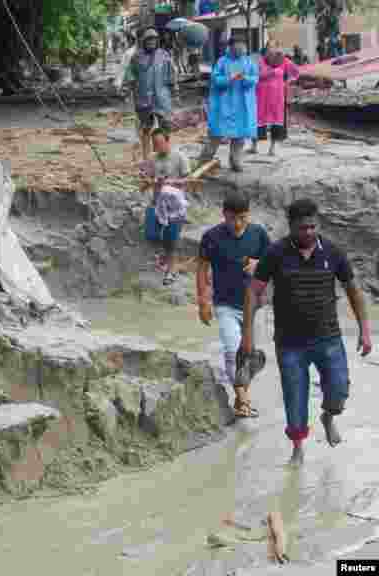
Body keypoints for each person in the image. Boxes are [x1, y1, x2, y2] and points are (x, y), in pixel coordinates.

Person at [241, 198, 372, 466]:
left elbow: (354, 292)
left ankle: (328, 417)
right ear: (291, 227)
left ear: (318, 224)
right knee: (295, 396)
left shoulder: (333, 252)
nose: (309, 232)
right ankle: (298, 449)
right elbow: (253, 292)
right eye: (303, 228)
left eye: (313, 227)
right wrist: (247, 337)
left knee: (338, 391)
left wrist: (365, 331)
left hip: (329, 338)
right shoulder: (276, 253)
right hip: (290, 342)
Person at [196, 190, 271, 418]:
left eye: (243, 218)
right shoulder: (212, 237)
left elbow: (274, 262)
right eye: (232, 218)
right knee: (232, 352)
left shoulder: (259, 234)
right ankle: (243, 398)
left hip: (255, 307)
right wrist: (203, 302)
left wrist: (258, 263)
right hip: (225, 305)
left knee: (250, 357)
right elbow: (202, 269)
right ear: (224, 215)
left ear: (249, 215)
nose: (237, 224)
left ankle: (240, 402)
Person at [197, 34, 258, 172]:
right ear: (230, 47)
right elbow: (215, 79)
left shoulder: (249, 62)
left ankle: (235, 161)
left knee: (239, 136)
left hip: (242, 106)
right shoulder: (222, 62)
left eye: (243, 45)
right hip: (223, 105)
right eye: (238, 45)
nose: (241, 48)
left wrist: (244, 78)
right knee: (216, 136)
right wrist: (229, 78)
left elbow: (255, 79)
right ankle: (203, 161)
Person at [141, 127, 190, 285]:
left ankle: (171, 270)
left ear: (168, 141)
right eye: (154, 144)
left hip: (174, 207)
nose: (157, 147)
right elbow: (146, 178)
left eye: (160, 143)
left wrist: (171, 182)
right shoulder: (151, 158)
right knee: (150, 234)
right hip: (156, 203)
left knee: (171, 240)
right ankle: (163, 257)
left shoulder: (180, 157)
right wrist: (147, 180)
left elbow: (188, 181)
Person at [125, 28, 176, 161]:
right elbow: (130, 74)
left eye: (154, 40)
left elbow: (171, 75)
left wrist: (174, 91)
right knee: (145, 129)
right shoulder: (137, 57)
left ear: (157, 41)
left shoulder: (164, 55)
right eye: (149, 40)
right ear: (144, 41)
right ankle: (146, 158)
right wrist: (130, 88)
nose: (151, 42)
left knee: (165, 129)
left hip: (162, 98)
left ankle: (164, 155)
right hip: (143, 99)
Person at [250, 43, 299, 155]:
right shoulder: (260, 61)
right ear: (266, 51)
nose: (271, 51)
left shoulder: (284, 61)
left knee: (276, 121)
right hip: (261, 96)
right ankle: (254, 146)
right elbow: (255, 75)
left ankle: (272, 148)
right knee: (257, 120)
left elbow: (296, 72)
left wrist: (288, 82)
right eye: (269, 49)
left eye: (274, 48)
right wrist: (269, 73)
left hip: (277, 97)